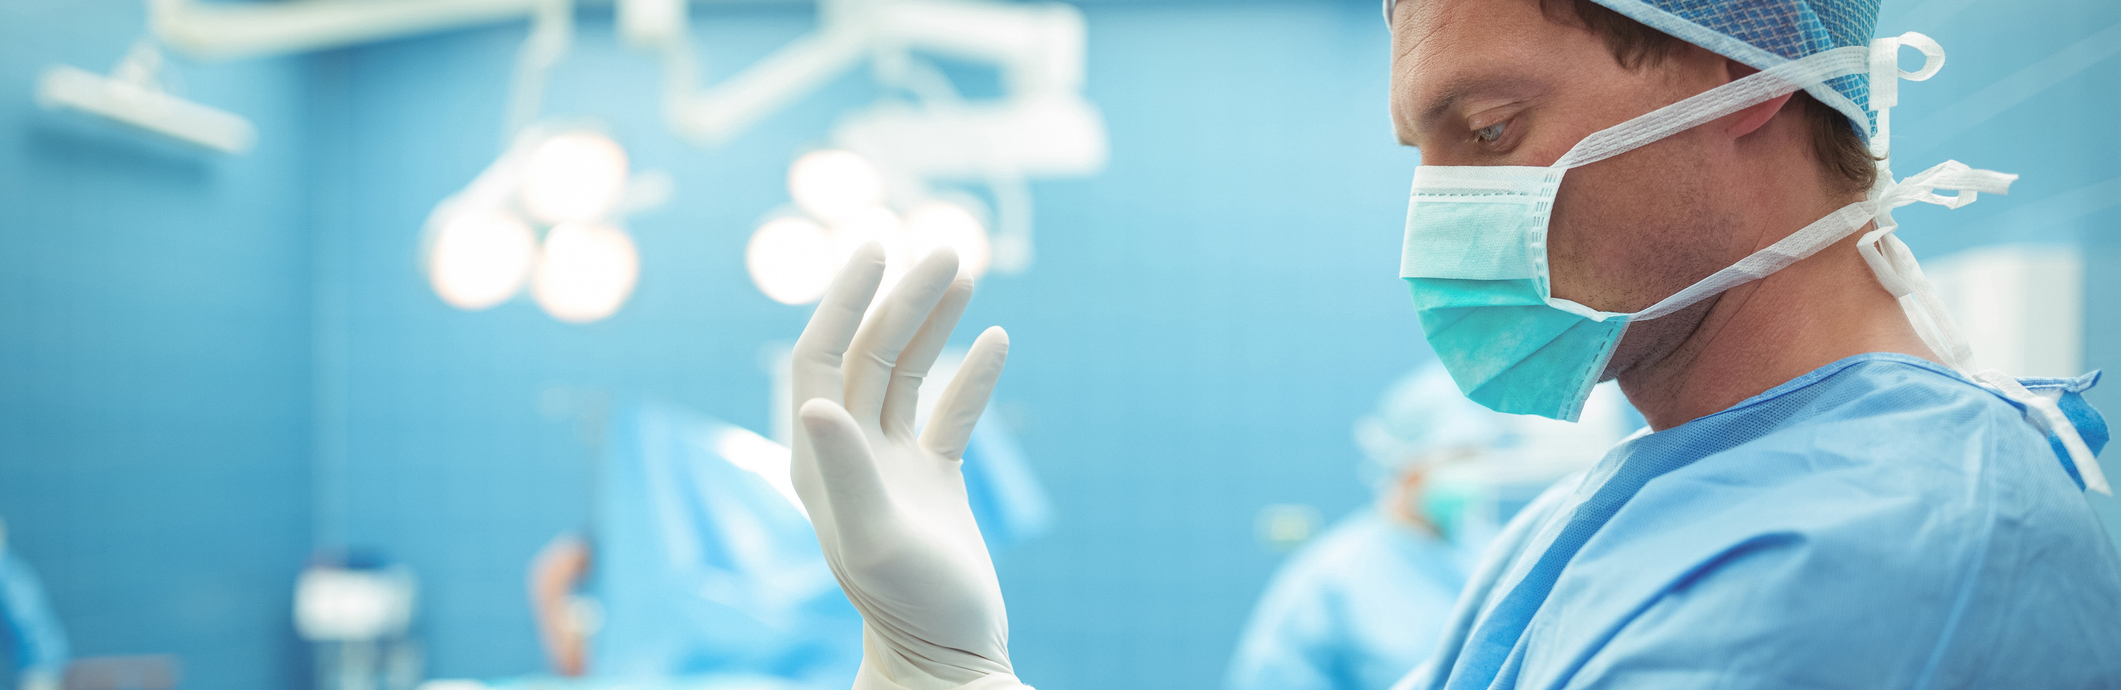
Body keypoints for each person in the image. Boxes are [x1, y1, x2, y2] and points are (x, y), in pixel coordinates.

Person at [772, 0, 2121, 688]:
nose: (1448, 210)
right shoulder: (1624, 505)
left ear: (1736, 82)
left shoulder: (1875, 559)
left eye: (1487, 130)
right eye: (1422, 154)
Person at [1226, 366, 1630, 690]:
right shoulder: (1333, 577)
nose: (1471, 471)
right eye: (1455, 455)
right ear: (1407, 462)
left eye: (1477, 454)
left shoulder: (1493, 554)